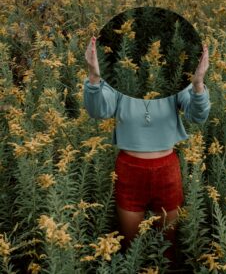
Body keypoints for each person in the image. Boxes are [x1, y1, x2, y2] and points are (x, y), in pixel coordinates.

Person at [83, 36, 211, 268]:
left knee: (168, 249)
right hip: (129, 171)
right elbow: (98, 111)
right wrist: (93, 75)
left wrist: (198, 83)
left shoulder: (175, 86)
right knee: (133, 249)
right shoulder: (118, 86)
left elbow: (198, 116)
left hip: (167, 170)